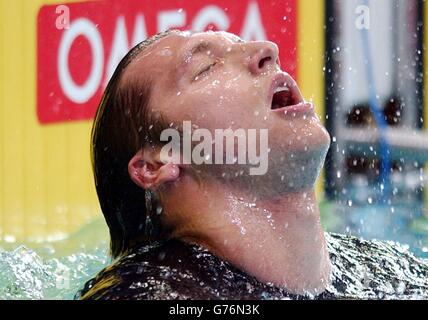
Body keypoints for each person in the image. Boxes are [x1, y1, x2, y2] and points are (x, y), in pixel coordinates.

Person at [76, 30, 428, 300]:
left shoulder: (383, 270)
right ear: (159, 161)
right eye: (206, 68)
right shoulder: (149, 294)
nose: (267, 51)